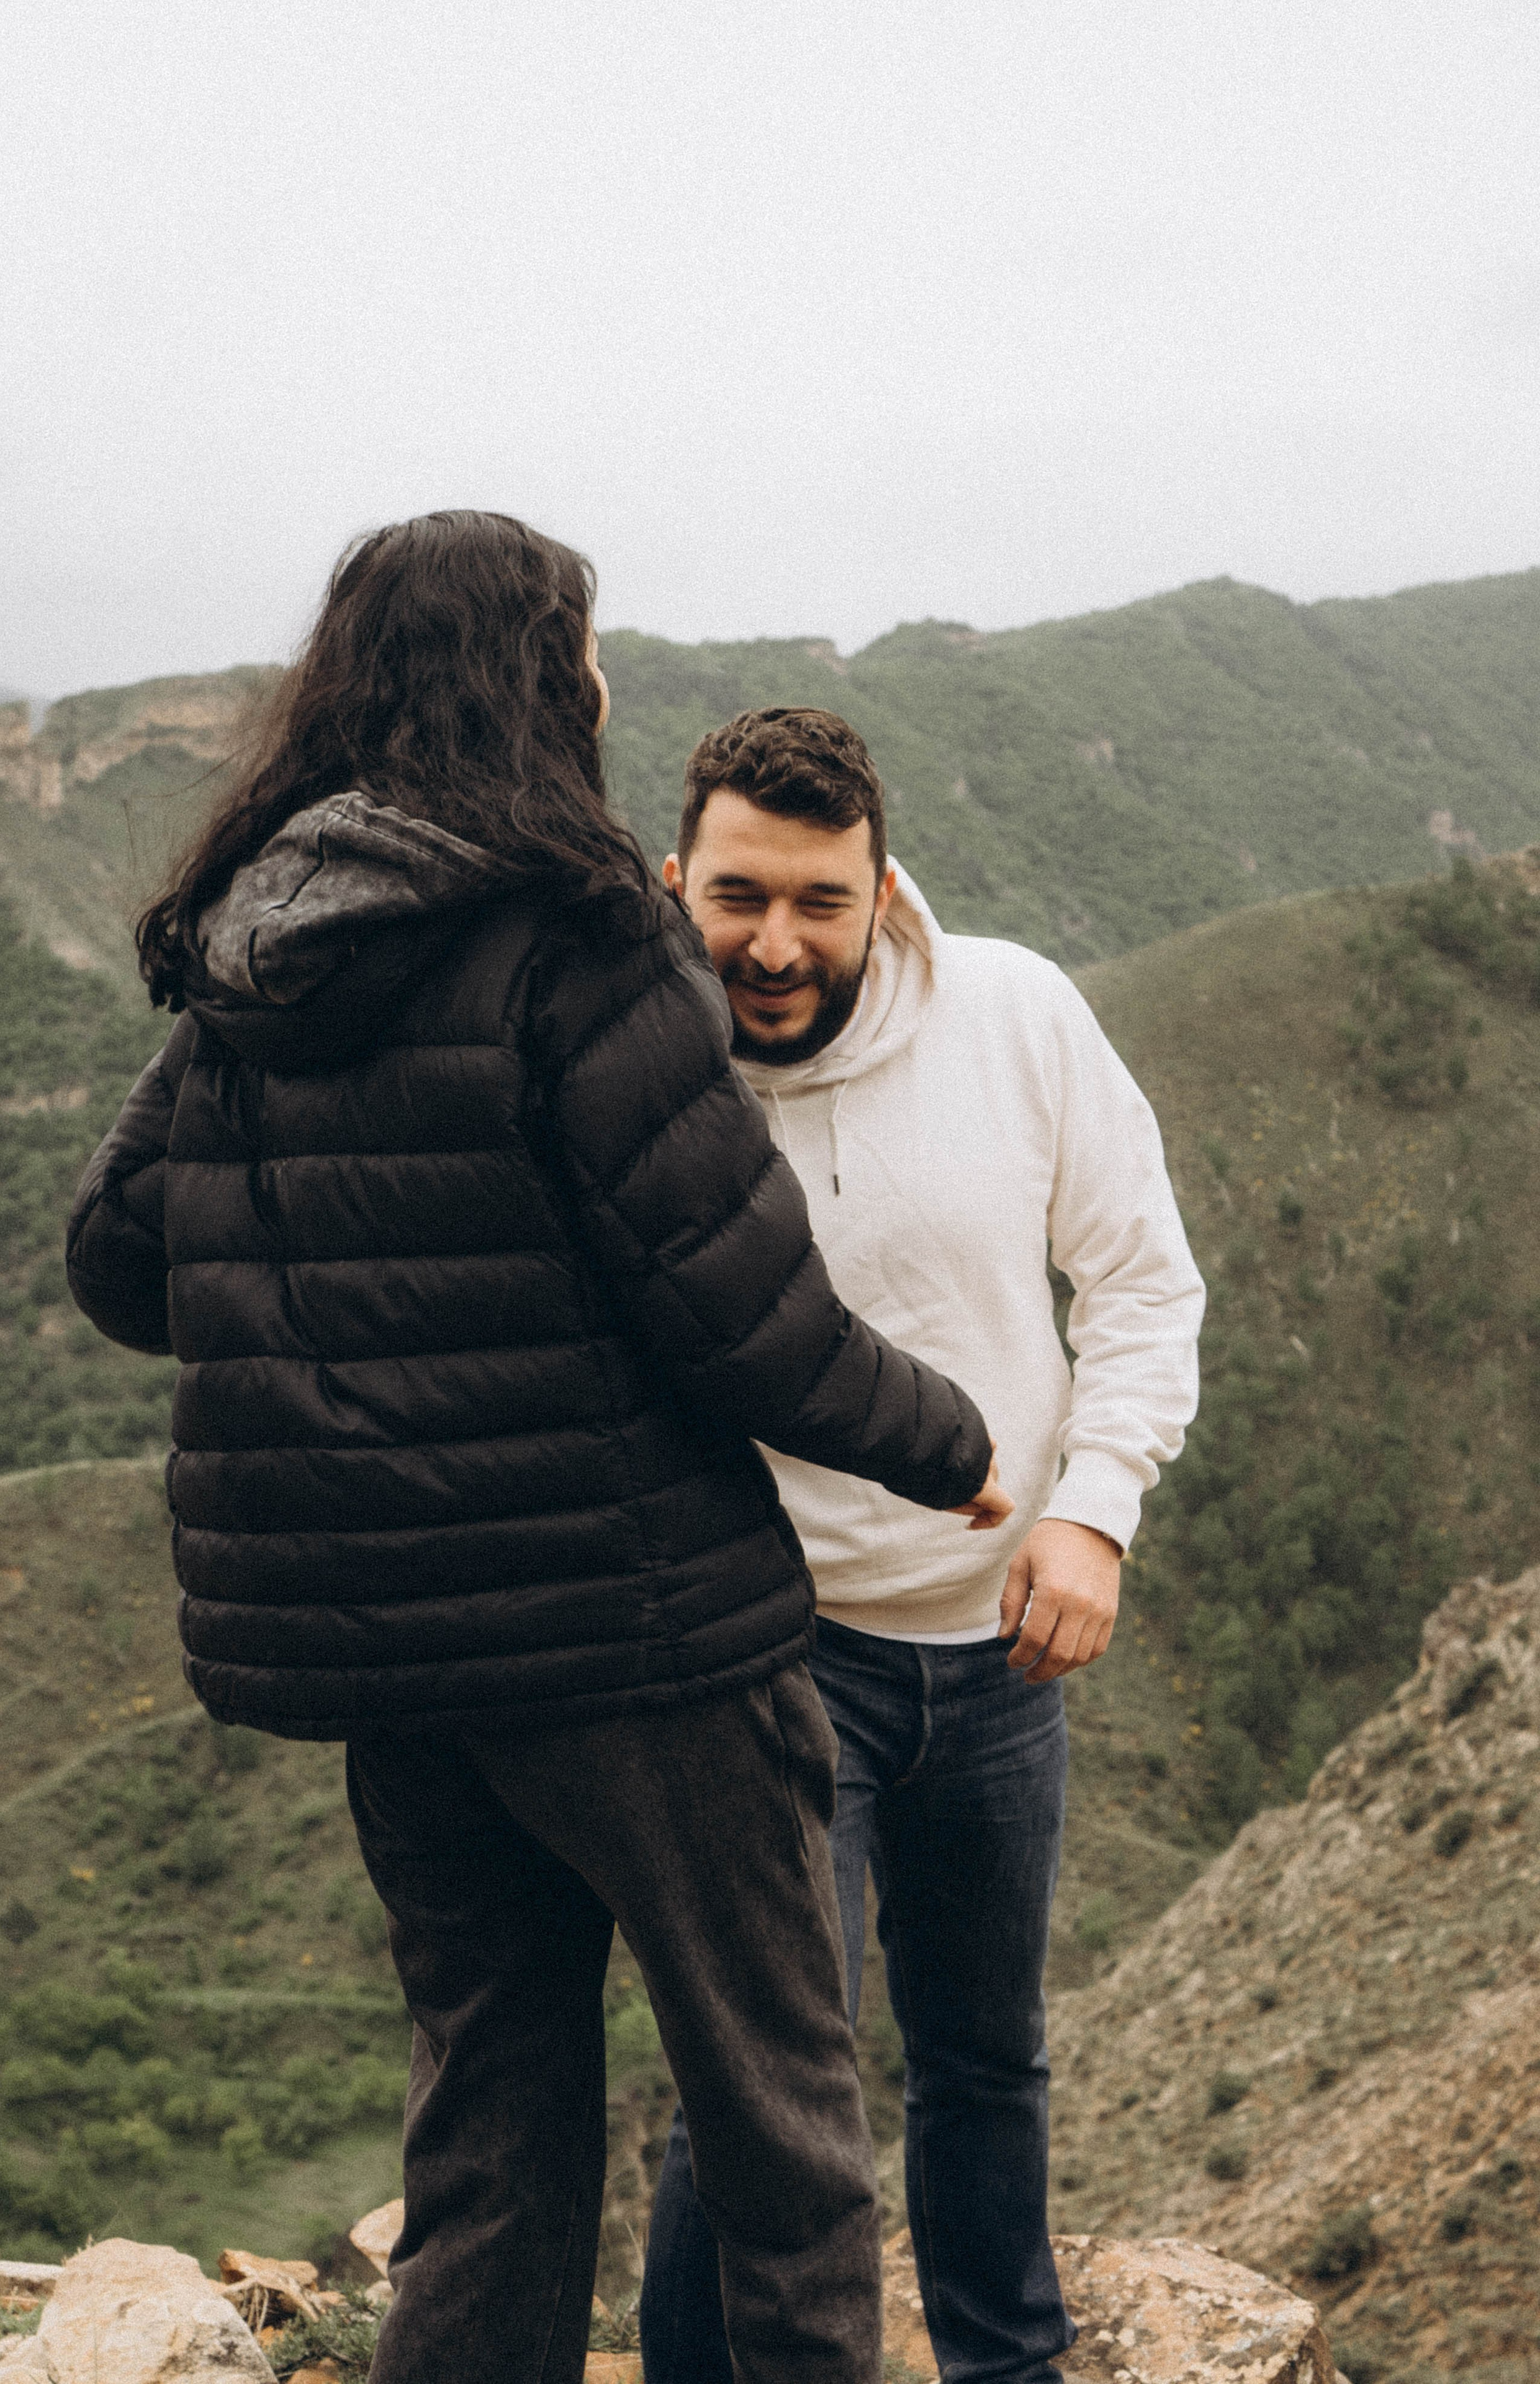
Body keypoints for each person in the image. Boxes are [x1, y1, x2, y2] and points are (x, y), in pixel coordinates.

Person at [65, 520, 1012, 2384]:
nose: (596, 684)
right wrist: (959, 1444)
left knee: (489, 2139)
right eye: (580, 654)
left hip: (393, 1656)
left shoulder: (261, 951)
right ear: (539, 680)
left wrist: (344, 1302)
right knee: (782, 2131)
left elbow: (116, 1263)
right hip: (637, 1639)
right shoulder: (582, 934)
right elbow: (750, 1321)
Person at [642, 707, 1205, 2384]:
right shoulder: (640, 1075)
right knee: (759, 2085)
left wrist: (1093, 1514)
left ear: (886, 890)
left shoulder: (1016, 1014)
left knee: (986, 2060)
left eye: (821, 900)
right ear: (679, 884)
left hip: (1003, 1652)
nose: (777, 941)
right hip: (768, 1661)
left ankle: (1003, 2366)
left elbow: (1144, 1281)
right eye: (739, 896)